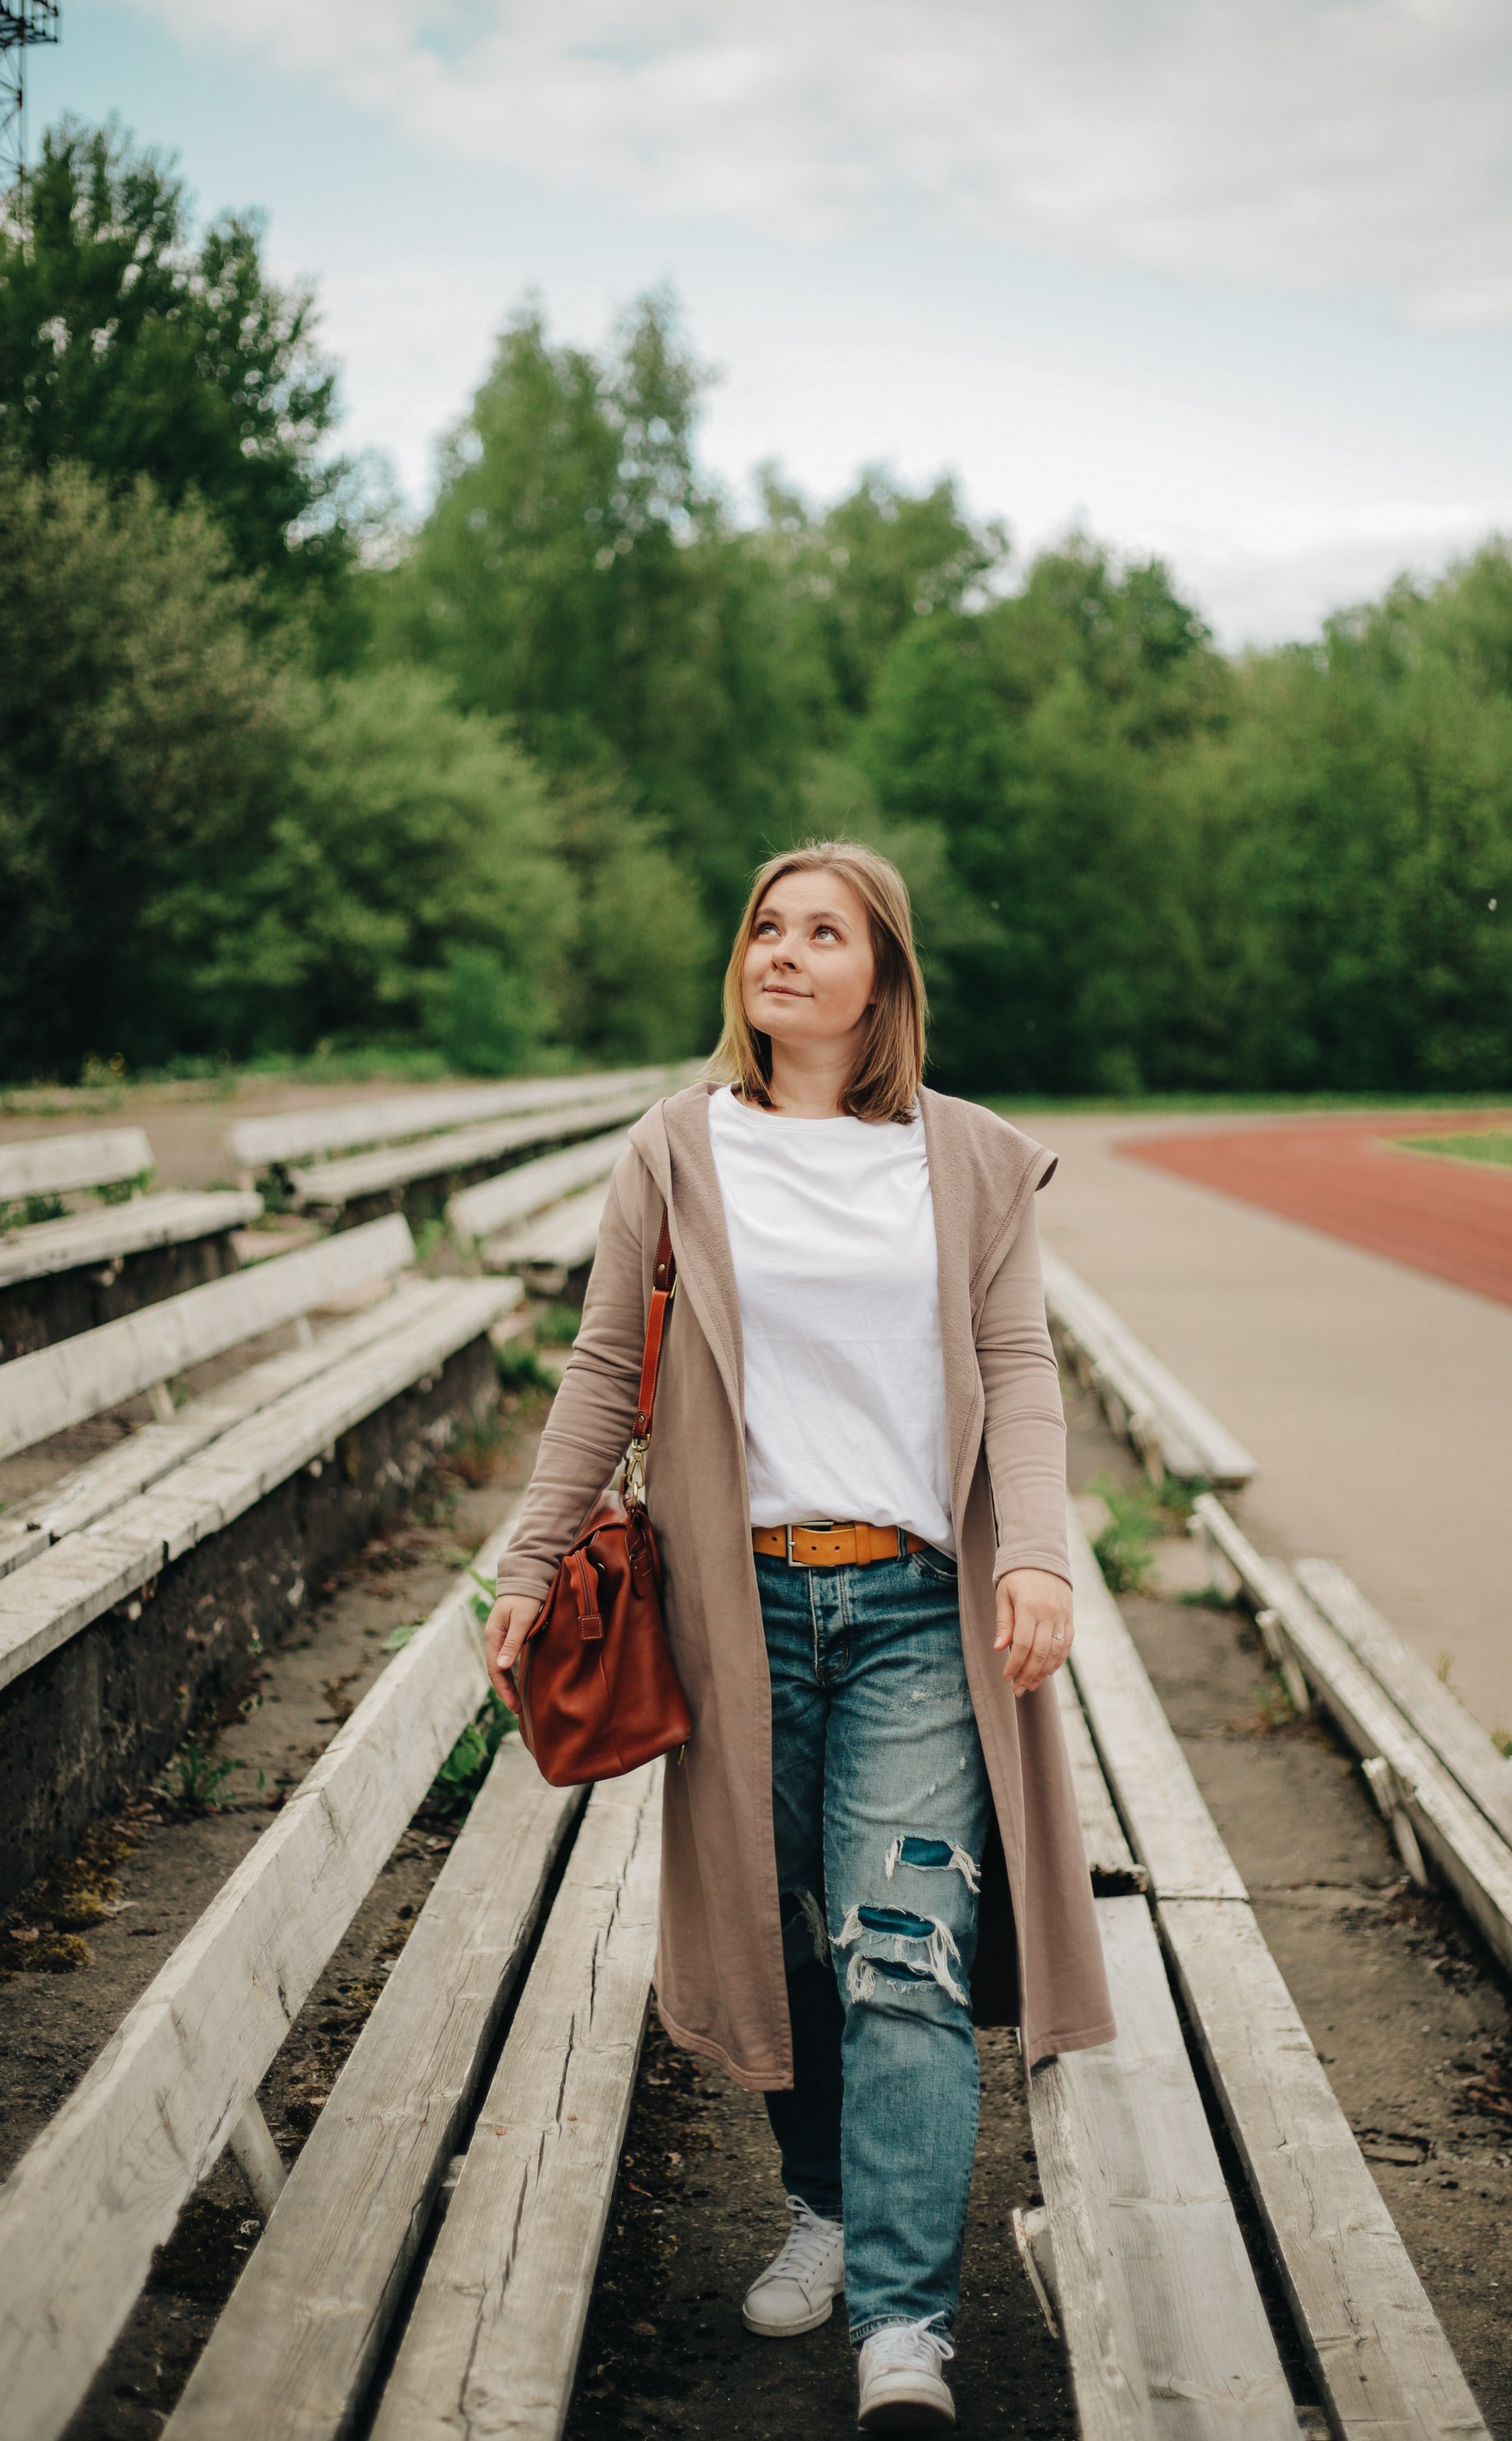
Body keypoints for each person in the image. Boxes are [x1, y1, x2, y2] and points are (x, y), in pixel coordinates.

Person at [485, 841, 1113, 2432]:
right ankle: (822, 2202)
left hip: (914, 1609)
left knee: (900, 1951)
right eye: (766, 925)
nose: (782, 949)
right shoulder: (677, 1148)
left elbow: (1019, 1366)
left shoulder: (966, 1159)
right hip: (733, 1611)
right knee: (780, 1941)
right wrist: (528, 1560)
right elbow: (601, 1372)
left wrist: (1037, 1554)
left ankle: (904, 2322)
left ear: (882, 976)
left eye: (824, 931)